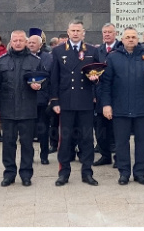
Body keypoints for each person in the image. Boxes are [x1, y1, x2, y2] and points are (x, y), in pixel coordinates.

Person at [100, 27, 144, 185]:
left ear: (138, 38)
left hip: (143, 107)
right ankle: (124, 173)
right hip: (120, 108)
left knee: (142, 142)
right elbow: (106, 84)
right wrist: (106, 105)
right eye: (128, 37)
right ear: (123, 39)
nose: (131, 39)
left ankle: (140, 173)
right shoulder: (113, 57)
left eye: (134, 36)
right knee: (121, 142)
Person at [0, 30, 42, 186]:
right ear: (10, 42)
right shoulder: (1, 61)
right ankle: (9, 174)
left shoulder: (35, 61)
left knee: (27, 144)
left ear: (26, 42)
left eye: (21, 40)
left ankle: (26, 174)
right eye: (15, 40)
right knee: (8, 143)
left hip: (28, 109)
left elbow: (45, 81)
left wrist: (38, 86)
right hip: (7, 109)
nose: (18, 43)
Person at [50, 20, 98, 187]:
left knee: (87, 138)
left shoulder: (92, 50)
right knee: (65, 139)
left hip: (85, 101)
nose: (76, 33)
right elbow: (54, 78)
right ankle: (63, 173)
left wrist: (95, 80)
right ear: (68, 32)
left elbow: (99, 73)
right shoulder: (57, 51)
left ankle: (87, 172)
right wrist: (54, 100)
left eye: (79, 30)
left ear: (83, 33)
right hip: (66, 101)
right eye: (73, 30)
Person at [93, 23, 118, 167]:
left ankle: (118, 157)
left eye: (110, 32)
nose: (107, 34)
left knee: (117, 128)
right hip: (101, 93)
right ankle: (105, 155)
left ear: (115, 33)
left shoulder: (120, 48)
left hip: (117, 94)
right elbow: (92, 71)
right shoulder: (99, 51)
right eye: (104, 32)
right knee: (101, 129)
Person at [27, 32, 54, 164]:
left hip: (43, 99)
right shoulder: (24, 57)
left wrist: (51, 98)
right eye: (29, 42)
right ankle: (29, 156)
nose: (31, 44)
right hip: (27, 100)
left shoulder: (48, 57)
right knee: (28, 131)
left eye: (33, 42)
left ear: (40, 44)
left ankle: (44, 156)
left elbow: (51, 76)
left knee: (43, 130)